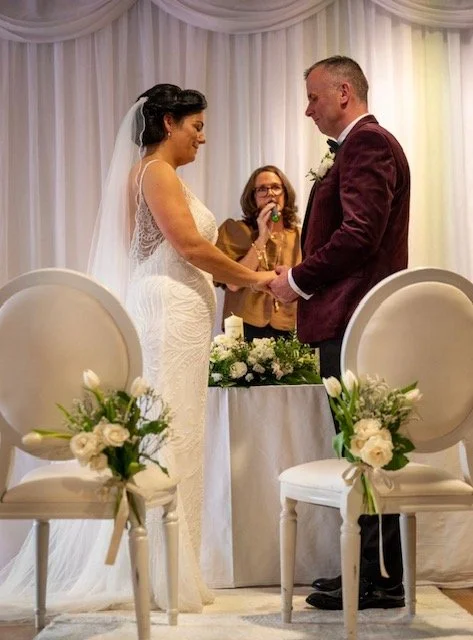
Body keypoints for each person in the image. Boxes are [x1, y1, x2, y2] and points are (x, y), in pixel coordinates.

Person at [0, 84, 274, 616]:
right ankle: (158, 574)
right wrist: (258, 280)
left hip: (181, 310)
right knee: (167, 432)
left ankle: (174, 568)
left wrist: (248, 267)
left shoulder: (156, 175)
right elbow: (191, 248)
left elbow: (196, 254)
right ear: (168, 124)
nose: (202, 137)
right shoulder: (155, 172)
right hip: (168, 312)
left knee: (180, 434)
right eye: (195, 127)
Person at [270, 56, 410, 610]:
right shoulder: (360, 147)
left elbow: (359, 235)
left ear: (344, 92)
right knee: (365, 447)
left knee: (367, 446)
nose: (307, 109)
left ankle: (379, 578)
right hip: (356, 319)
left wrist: (297, 281)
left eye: (312, 97)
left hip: (356, 319)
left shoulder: (367, 146)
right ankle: (374, 572)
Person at [215, 165, 301, 340]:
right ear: (252, 197)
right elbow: (234, 284)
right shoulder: (235, 230)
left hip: (288, 326)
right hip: (245, 326)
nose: (270, 193)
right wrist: (262, 237)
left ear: (285, 193)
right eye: (262, 189)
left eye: (276, 187)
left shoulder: (301, 235)